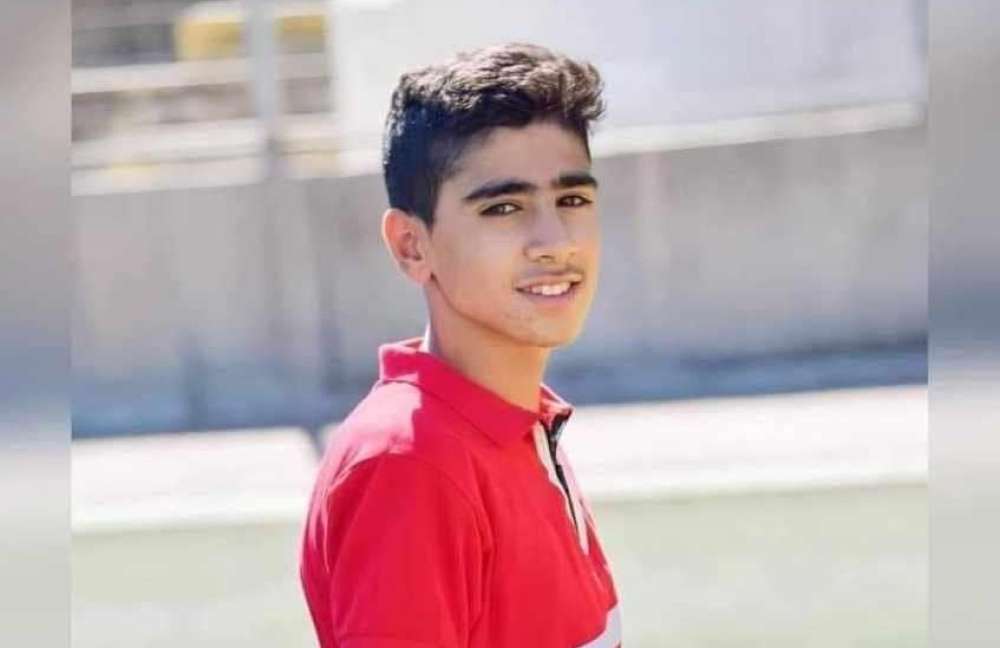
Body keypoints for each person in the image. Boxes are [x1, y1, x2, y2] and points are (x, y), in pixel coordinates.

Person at [300, 42, 620, 648]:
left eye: (572, 200)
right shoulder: (411, 465)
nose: (555, 241)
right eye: (504, 207)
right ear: (411, 246)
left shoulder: (523, 423)